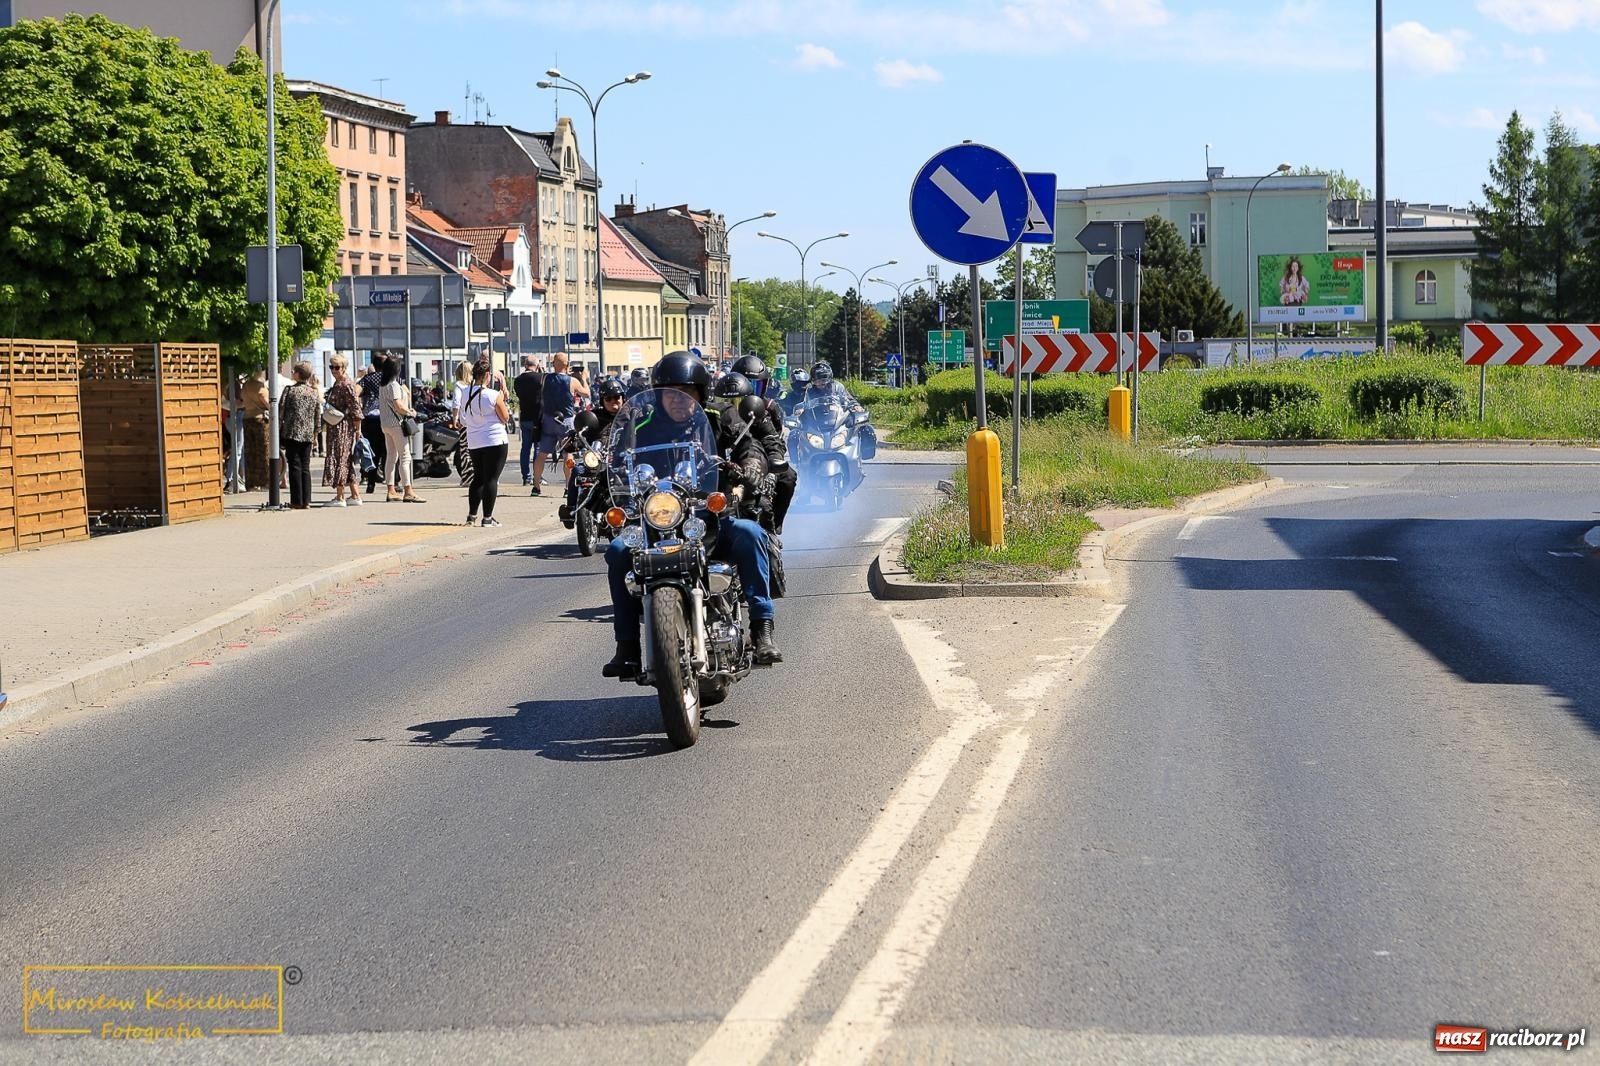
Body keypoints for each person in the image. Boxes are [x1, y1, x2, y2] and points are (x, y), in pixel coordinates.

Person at [602, 351, 782, 679]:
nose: (680, 400)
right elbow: (615, 459)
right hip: (659, 518)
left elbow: (748, 448)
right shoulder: (641, 421)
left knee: (752, 534)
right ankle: (626, 647)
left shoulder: (719, 415)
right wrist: (609, 477)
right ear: (659, 394)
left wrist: (751, 467)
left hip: (709, 514)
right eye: (671, 393)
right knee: (616, 553)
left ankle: (762, 628)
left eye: (687, 392)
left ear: (701, 392)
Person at [729, 355, 798, 535]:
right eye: (746, 384)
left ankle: (773, 528)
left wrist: (774, 461)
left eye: (756, 385)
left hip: (762, 461)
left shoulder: (766, 408)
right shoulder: (724, 409)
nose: (750, 391)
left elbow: (772, 438)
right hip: (728, 460)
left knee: (788, 477)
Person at [558, 375, 626, 526]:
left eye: (616, 397)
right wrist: (572, 439)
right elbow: (581, 433)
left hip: (625, 460)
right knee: (577, 470)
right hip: (599, 459)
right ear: (602, 401)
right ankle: (571, 510)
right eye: (608, 398)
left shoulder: (632, 415)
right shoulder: (594, 416)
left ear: (623, 397)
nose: (613, 401)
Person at [458, 359, 511, 527]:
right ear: (487, 375)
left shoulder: (466, 392)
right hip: (495, 440)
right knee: (491, 479)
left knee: (478, 478)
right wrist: (501, 397)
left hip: (474, 441)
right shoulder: (493, 395)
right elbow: (505, 417)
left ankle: (471, 516)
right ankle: (487, 518)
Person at [531, 350, 589, 496]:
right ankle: (568, 488)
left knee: (542, 454)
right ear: (567, 365)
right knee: (568, 454)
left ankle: (536, 486)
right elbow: (586, 394)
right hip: (566, 421)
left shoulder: (545, 378)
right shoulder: (572, 381)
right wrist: (584, 379)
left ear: (553, 364)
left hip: (548, 419)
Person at [379, 357, 424, 502]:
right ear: (396, 370)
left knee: (391, 457)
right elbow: (398, 405)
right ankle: (408, 490)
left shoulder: (383, 385)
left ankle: (391, 490)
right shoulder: (393, 386)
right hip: (397, 424)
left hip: (386, 424)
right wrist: (410, 412)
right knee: (405, 457)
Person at [278, 361, 321, 510]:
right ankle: (307, 500)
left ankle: (296, 500)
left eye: (294, 371)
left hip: (292, 433)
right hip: (308, 434)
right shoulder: (313, 392)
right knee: (305, 467)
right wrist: (316, 434)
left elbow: (281, 411)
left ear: (298, 374)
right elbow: (317, 416)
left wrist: (278, 429)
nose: (292, 374)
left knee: (294, 465)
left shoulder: (289, 391)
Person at [321, 354, 363, 506]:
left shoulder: (346, 384)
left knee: (340, 457)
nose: (333, 370)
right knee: (345, 458)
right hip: (335, 425)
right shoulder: (338, 383)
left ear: (344, 368)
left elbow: (356, 408)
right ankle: (355, 495)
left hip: (343, 427)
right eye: (331, 367)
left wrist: (358, 430)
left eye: (337, 367)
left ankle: (340, 497)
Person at [357, 357, 387, 495]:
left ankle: (371, 482)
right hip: (387, 417)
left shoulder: (367, 379)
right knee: (389, 452)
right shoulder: (392, 378)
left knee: (372, 451)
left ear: (374, 365)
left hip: (369, 419)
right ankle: (392, 482)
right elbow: (405, 393)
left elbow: (355, 392)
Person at [514, 356, 545, 486]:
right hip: (538, 418)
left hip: (524, 417)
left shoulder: (518, 380)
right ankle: (537, 476)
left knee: (525, 447)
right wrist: (541, 372)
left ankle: (526, 476)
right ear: (537, 365)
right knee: (538, 447)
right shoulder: (541, 378)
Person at [240, 371, 271, 490]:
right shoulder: (260, 387)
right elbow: (265, 400)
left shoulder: (246, 386)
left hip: (247, 418)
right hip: (260, 419)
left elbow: (242, 401)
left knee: (249, 452)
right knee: (263, 451)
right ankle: (264, 481)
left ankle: (251, 482)